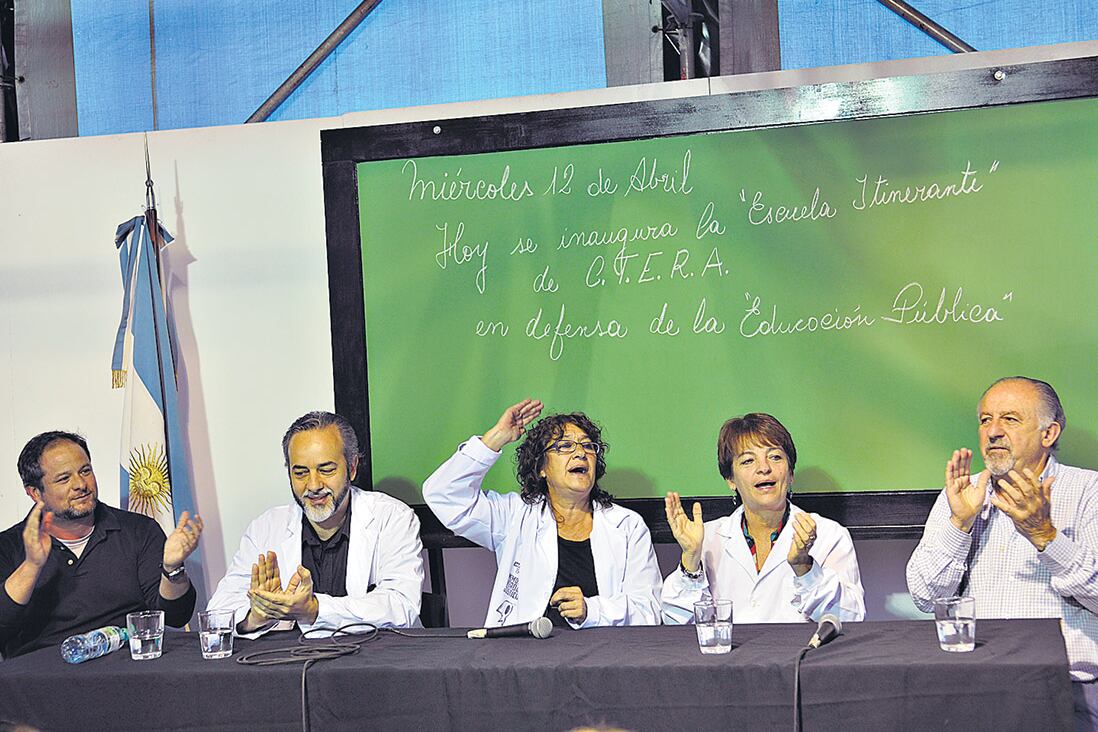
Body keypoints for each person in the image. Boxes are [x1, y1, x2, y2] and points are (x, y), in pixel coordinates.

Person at [906, 376, 1098, 729]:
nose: (993, 431)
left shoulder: (1089, 491)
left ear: (1049, 434)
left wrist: (1046, 536)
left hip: (1069, 692)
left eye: (1010, 419)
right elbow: (923, 596)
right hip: (974, 689)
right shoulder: (963, 494)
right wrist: (959, 524)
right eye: (985, 420)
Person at [423, 398, 661, 629]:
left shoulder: (627, 525)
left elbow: (649, 610)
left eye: (588, 446)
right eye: (565, 446)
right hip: (524, 659)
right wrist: (495, 438)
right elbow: (443, 494)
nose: (580, 453)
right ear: (541, 468)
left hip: (602, 659)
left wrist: (593, 610)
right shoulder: (514, 516)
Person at [207, 411, 423, 636]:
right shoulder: (267, 527)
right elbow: (218, 612)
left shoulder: (393, 517)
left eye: (326, 470)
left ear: (352, 467)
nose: (313, 485)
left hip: (376, 662)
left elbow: (402, 605)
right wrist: (256, 616)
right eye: (300, 472)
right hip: (290, 664)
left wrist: (315, 610)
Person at [0, 431, 202, 658]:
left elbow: (176, 617)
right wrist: (32, 566)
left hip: (124, 672)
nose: (80, 485)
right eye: (63, 479)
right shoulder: (7, 547)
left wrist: (173, 568)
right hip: (39, 681)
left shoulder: (139, 531)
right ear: (35, 493)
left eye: (85, 471)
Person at [662, 413, 865, 624]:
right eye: (748, 460)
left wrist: (804, 567)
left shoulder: (830, 535)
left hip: (802, 655)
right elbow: (676, 623)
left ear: (791, 473)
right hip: (726, 657)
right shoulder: (708, 538)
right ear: (730, 479)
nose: (764, 468)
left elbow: (850, 618)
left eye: (775, 457)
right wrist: (690, 560)